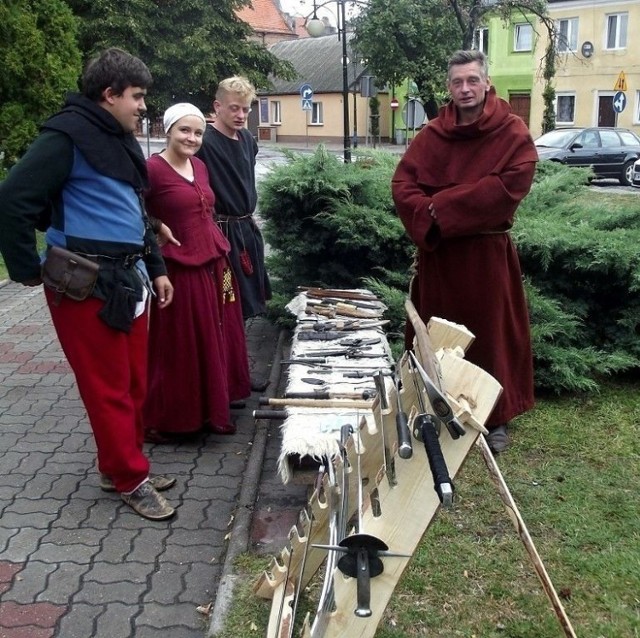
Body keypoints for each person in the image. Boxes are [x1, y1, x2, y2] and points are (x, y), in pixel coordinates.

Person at [0, 48, 177, 520]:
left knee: (134, 382)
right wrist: (24, 269)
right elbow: (13, 198)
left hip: (129, 278)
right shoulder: (65, 137)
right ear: (109, 93)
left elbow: (137, 212)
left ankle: (119, 463)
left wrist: (157, 268)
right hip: (84, 284)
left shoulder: (114, 138)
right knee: (108, 387)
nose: (143, 106)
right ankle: (129, 477)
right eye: (137, 96)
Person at [391, 50, 538, 454]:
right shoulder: (433, 134)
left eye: (472, 80)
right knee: (438, 333)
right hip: (440, 256)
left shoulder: (512, 132)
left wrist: (441, 205)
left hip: (487, 256)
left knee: (491, 334)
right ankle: (436, 403)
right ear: (449, 87)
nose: (465, 88)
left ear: (486, 82)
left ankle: (495, 416)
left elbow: (508, 187)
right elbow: (404, 185)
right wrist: (428, 211)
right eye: (457, 82)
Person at [143, 103, 251, 441]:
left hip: (215, 261)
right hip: (180, 268)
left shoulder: (200, 166)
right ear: (167, 130)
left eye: (198, 132)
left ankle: (213, 404)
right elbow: (130, 211)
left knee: (217, 335)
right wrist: (157, 225)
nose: (192, 138)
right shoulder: (152, 169)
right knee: (183, 344)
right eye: (184, 131)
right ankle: (174, 417)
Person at [196, 76, 272, 392]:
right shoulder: (204, 144)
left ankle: (237, 371)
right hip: (222, 237)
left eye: (246, 109)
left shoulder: (248, 141)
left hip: (245, 233)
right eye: (234, 108)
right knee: (226, 303)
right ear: (217, 107)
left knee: (242, 306)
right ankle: (225, 377)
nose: (241, 115)